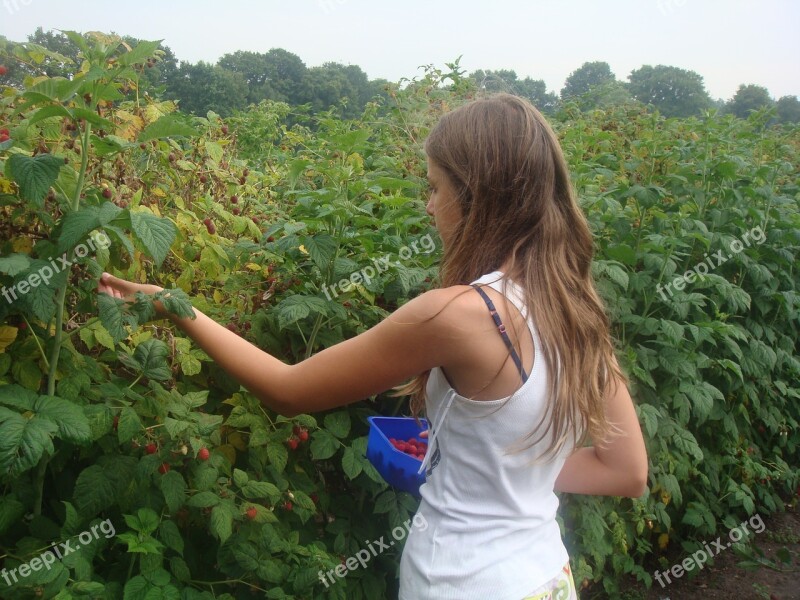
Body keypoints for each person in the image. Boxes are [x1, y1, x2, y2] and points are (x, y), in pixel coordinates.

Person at [97, 93, 648, 600]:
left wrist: (177, 307)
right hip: (546, 579)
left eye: (435, 188)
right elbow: (626, 472)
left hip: (462, 582)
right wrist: (497, 471)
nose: (429, 208)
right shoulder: (575, 308)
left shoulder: (459, 314)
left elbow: (289, 391)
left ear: (476, 195)